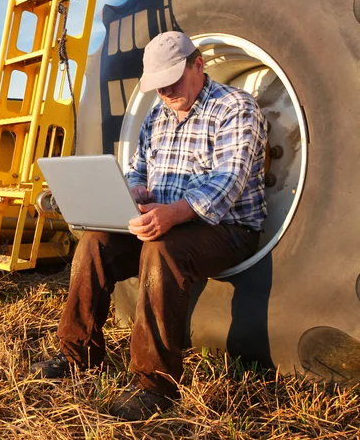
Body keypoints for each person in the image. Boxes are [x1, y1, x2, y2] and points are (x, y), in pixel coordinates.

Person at [30, 31, 268, 420]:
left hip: (229, 228)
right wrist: (135, 191)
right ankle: (78, 354)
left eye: (173, 80)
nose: (167, 91)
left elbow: (226, 183)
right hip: (166, 220)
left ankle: (154, 385)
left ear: (198, 65)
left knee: (161, 249)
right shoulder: (158, 114)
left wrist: (172, 213)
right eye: (158, 86)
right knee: (95, 240)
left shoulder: (235, 108)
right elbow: (139, 166)